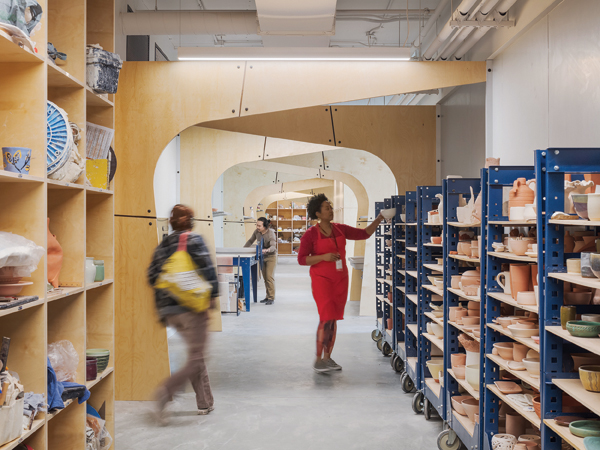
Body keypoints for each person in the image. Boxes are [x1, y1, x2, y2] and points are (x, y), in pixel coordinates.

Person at [147, 204, 219, 423]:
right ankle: (166, 391)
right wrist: (213, 295)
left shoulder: (163, 245)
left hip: (169, 310)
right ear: (188, 220)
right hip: (191, 308)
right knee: (197, 356)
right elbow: (207, 269)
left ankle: (205, 402)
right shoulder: (194, 240)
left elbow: (152, 277)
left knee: (196, 354)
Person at [297, 194, 385, 373]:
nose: (331, 210)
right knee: (326, 316)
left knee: (333, 318)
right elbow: (301, 260)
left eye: (330, 207)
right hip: (322, 280)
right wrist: (323, 257)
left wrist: (380, 218)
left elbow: (364, 234)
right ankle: (318, 359)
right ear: (317, 213)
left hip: (340, 279)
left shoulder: (340, 229)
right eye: (327, 208)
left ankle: (327, 358)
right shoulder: (310, 234)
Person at [244, 217, 277, 305]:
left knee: (269, 277)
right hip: (262, 256)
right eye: (256, 225)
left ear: (265, 226)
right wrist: (243, 249)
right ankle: (267, 296)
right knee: (265, 277)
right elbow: (250, 241)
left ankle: (271, 297)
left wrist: (267, 250)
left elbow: (273, 246)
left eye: (259, 225)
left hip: (271, 256)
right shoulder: (257, 232)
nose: (257, 227)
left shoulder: (271, 233)